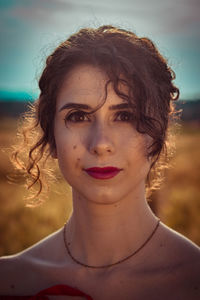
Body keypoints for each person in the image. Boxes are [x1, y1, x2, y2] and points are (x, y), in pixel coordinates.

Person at [0, 25, 199, 300]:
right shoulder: (9, 281)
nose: (101, 143)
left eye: (125, 116)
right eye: (78, 116)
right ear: (51, 135)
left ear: (159, 133)